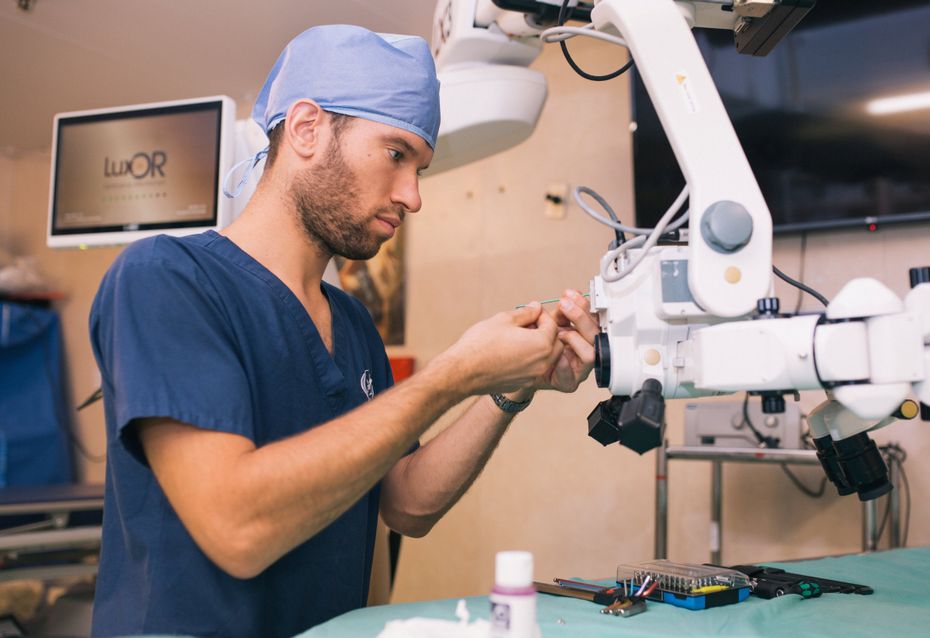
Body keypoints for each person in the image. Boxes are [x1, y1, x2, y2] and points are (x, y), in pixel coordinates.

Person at [87, 24, 599, 638]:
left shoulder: (352, 321)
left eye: (421, 168)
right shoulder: (167, 280)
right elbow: (237, 529)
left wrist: (509, 388)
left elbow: (405, 504)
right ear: (306, 129)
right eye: (395, 154)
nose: (413, 196)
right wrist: (452, 374)